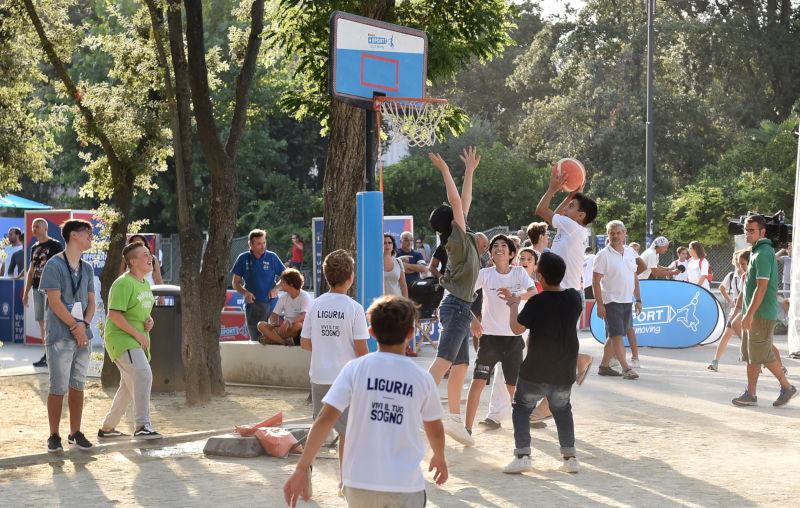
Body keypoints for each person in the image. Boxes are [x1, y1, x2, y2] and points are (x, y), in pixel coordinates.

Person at [284, 296, 447, 507]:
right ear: (411, 333)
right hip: (405, 485)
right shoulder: (422, 378)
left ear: (371, 332)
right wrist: (439, 456)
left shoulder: (354, 369)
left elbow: (325, 419)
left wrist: (302, 467)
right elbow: (435, 428)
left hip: (358, 484)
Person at [501, 252, 582, 474]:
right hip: (564, 371)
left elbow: (516, 329)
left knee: (521, 408)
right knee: (562, 410)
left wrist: (513, 305)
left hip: (535, 371)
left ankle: (523, 455)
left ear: (540, 277)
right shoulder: (574, 298)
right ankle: (570, 458)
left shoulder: (536, 302)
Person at [532, 166, 597, 423]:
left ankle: (549, 404)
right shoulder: (570, 228)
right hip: (563, 297)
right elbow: (556, 214)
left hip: (565, 298)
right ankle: (578, 361)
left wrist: (553, 188)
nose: (565, 208)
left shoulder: (572, 228)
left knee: (554, 354)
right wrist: (569, 195)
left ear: (580, 216)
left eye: (571, 206)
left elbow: (542, 210)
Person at [300, 249, 370, 486]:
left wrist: (324, 346)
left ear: (326, 276)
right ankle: (344, 480)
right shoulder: (354, 308)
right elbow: (361, 349)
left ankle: (305, 474)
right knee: (347, 432)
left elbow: (305, 342)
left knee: (318, 429)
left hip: (319, 376)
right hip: (346, 379)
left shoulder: (315, 305)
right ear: (350, 278)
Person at [426, 147, 481, 447]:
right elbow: (458, 200)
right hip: (456, 307)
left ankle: (455, 419)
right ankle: (412, 406)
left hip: (458, 306)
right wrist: (446, 171)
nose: (461, 210)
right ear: (453, 221)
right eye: (457, 212)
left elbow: (463, 202)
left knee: (460, 366)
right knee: (444, 362)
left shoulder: (460, 239)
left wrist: (469, 171)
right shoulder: (458, 240)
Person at [464, 235, 535, 437]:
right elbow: (463, 296)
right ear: (491, 254)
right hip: (489, 339)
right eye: (495, 246)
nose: (499, 248)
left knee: (513, 387)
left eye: (504, 245)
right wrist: (473, 319)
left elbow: (533, 292)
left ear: (512, 254)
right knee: (478, 382)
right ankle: (467, 428)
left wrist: (515, 297)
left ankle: (521, 430)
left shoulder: (519, 272)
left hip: (514, 338)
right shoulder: (485, 274)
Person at [39, 219, 96, 453]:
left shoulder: (87, 268)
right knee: (58, 387)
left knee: (78, 385)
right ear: (73, 235)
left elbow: (92, 302)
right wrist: (76, 326)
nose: (91, 237)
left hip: (82, 335)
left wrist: (84, 325)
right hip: (60, 335)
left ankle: (75, 432)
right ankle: (54, 435)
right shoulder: (54, 265)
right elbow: (55, 302)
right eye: (87, 233)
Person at [731, 215, 796, 407]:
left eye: (752, 230)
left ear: (763, 232)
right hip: (756, 313)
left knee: (762, 355)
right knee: (753, 355)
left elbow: (762, 287)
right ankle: (751, 394)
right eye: (746, 230)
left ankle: (787, 387)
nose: (747, 233)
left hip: (761, 314)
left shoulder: (764, 252)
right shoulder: (756, 251)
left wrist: (749, 314)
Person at [99, 241, 161, 440]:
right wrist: (137, 334)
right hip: (122, 339)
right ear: (132, 261)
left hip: (136, 339)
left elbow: (142, 311)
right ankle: (142, 425)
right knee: (143, 375)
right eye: (145, 255)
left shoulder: (145, 284)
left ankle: (107, 428)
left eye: (149, 254)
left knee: (127, 387)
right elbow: (114, 314)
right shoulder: (123, 283)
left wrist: (149, 321)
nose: (150, 257)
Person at [480, 246, 541, 430]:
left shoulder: (536, 286)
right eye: (522, 258)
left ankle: (530, 413)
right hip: (506, 335)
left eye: (529, 259)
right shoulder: (509, 279)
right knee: (502, 375)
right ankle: (495, 416)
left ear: (535, 266)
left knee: (529, 375)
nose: (525, 262)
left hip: (529, 335)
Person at [592, 220, 640, 380]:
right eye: (612, 233)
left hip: (627, 300)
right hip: (611, 301)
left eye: (619, 232)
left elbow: (634, 277)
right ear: (608, 235)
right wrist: (600, 304)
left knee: (613, 335)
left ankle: (604, 366)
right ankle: (626, 368)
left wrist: (638, 299)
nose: (615, 236)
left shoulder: (630, 252)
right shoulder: (602, 255)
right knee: (617, 335)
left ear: (624, 234)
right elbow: (595, 281)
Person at [23, 218, 64, 368]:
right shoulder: (34, 247)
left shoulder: (55, 245)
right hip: (36, 289)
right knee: (42, 323)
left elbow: (62, 267)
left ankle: (57, 354)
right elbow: (31, 270)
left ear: (45, 228)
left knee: (53, 322)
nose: (34, 228)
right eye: (33, 226)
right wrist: (25, 293)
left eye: (37, 226)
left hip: (51, 289)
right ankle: (47, 354)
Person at [231, 229, 285, 342]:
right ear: (250, 244)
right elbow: (235, 282)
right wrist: (245, 292)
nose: (263, 246)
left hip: (272, 304)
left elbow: (285, 277)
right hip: (253, 305)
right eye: (259, 244)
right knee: (256, 340)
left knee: (274, 339)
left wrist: (277, 288)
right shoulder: (243, 258)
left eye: (264, 242)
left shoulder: (272, 257)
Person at [708, 250, 750, 371]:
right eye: (736, 260)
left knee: (753, 337)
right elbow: (722, 288)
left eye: (741, 261)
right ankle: (715, 361)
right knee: (727, 334)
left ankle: (763, 362)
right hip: (737, 308)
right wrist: (730, 300)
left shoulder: (750, 274)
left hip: (747, 307)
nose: (738, 262)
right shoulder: (732, 275)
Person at [257, 269, 312, 346]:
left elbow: (303, 315)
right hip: (284, 328)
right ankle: (282, 341)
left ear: (291, 284)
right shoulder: (284, 297)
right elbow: (274, 315)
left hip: (296, 329)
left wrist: (289, 322)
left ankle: (270, 339)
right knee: (261, 325)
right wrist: (273, 324)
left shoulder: (305, 296)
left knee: (298, 325)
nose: (281, 285)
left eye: (283, 282)